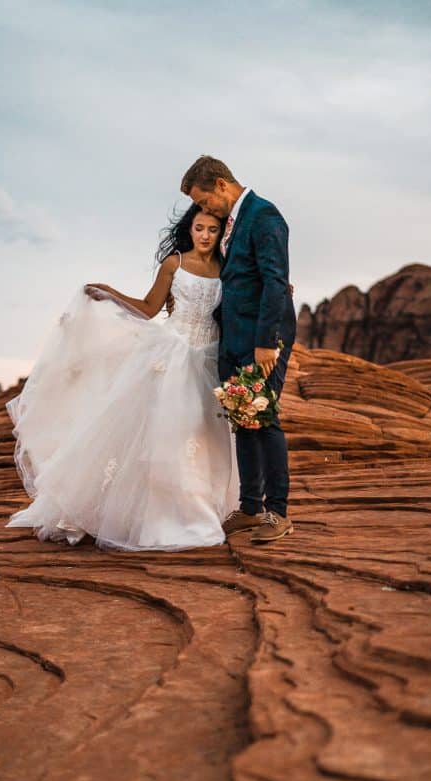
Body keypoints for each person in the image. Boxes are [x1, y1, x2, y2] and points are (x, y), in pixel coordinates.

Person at [5, 204, 239, 550]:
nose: (205, 236)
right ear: (190, 229)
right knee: (166, 434)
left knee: (202, 435)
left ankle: (197, 509)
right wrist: (110, 294)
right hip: (171, 356)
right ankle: (157, 516)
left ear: (221, 234)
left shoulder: (226, 268)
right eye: (199, 228)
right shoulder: (173, 263)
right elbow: (148, 308)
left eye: (212, 230)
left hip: (208, 358)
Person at [181, 155, 297, 544]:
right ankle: (249, 508)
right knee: (243, 422)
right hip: (233, 337)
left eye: (203, 201)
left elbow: (275, 279)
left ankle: (277, 513)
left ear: (220, 184)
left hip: (261, 341)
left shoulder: (264, 216)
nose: (203, 210)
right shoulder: (233, 222)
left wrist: (267, 343)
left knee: (264, 421)